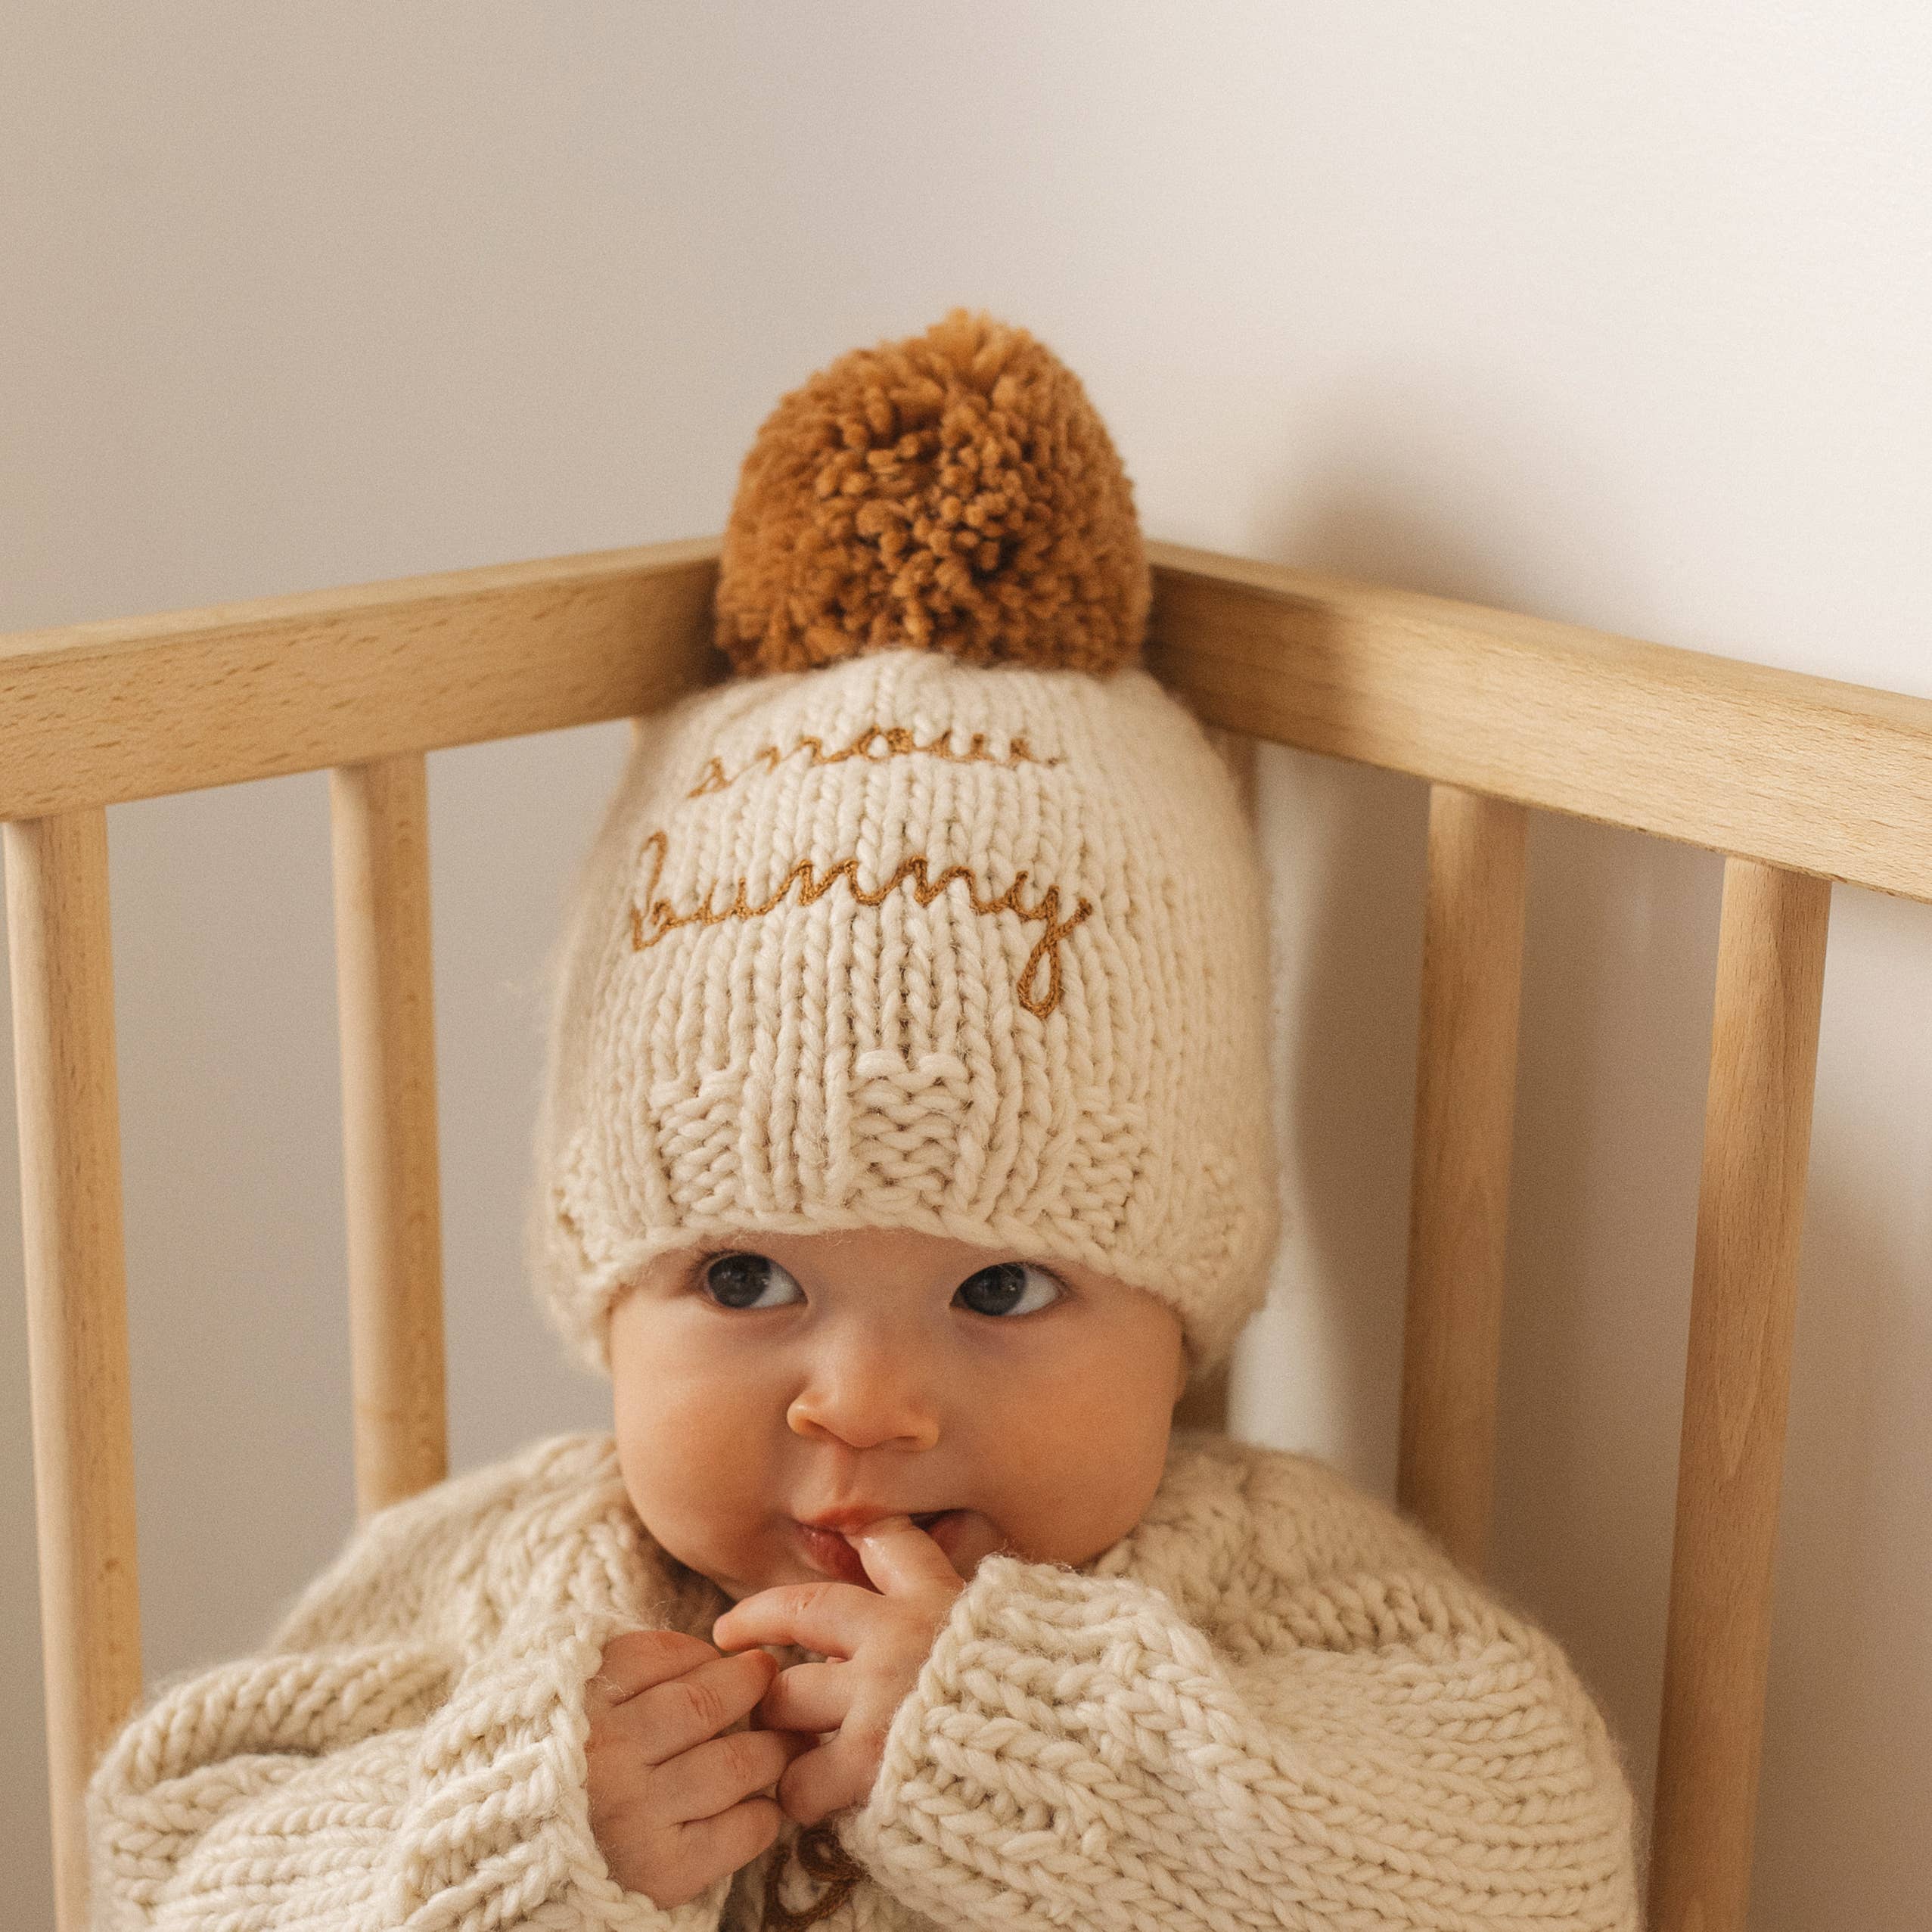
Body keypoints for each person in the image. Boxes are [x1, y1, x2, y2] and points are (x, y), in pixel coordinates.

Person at [86, 311, 1642, 1930]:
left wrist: (1042, 1752)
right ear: (606, 1293)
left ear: (1179, 1316)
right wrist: (513, 1833)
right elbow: (172, 1861)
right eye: (747, 1279)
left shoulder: (1258, 1581)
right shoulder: (512, 1583)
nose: (866, 1404)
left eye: (1001, 1287)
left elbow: (1537, 1860)